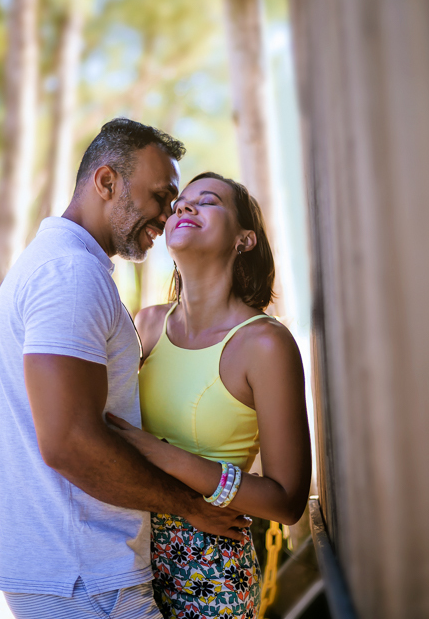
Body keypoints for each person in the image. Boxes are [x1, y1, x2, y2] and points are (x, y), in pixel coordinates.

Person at [0, 120, 252, 619]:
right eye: (160, 196)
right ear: (106, 182)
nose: (168, 213)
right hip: (83, 573)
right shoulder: (71, 274)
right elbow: (70, 443)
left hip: (72, 568)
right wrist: (191, 506)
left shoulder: (57, 263)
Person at [107, 172, 312, 618]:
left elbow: (287, 502)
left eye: (209, 200)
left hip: (212, 575)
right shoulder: (146, 324)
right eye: (180, 203)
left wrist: (161, 454)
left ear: (244, 239)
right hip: (126, 557)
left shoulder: (265, 344)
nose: (184, 206)